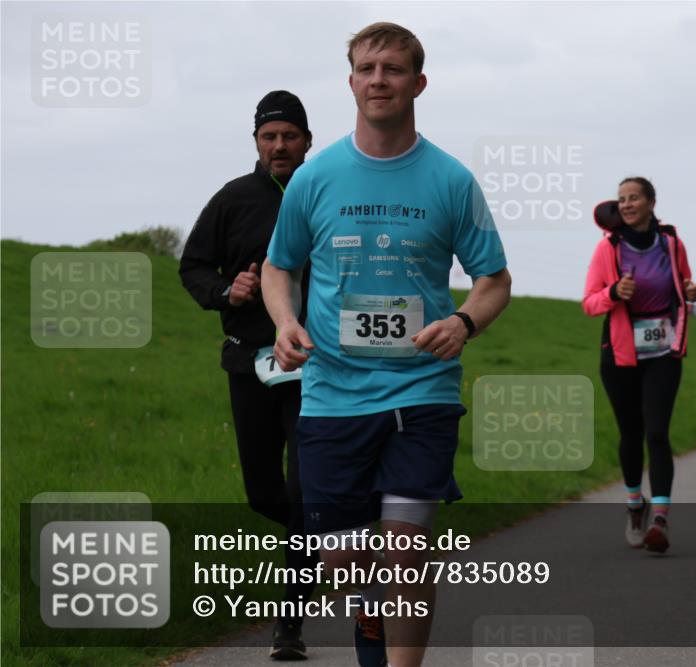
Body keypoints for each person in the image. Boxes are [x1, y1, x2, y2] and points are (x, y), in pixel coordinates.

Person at [260, 23, 510, 667]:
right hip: (332, 394)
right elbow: (277, 266)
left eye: (393, 69)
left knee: (405, 552)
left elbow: (494, 279)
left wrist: (463, 322)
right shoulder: (316, 179)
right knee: (345, 563)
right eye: (367, 69)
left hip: (419, 391)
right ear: (351, 82)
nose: (379, 79)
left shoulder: (451, 180)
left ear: (417, 83)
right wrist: (285, 322)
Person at [179, 90, 316, 661]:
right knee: (264, 493)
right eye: (269, 136)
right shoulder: (233, 199)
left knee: (302, 490)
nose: (279, 145)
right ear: (257, 142)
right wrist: (223, 291)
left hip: (318, 367)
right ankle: (339, 540)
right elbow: (192, 265)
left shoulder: (330, 187)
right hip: (251, 362)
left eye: (289, 135)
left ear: (307, 140)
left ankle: (290, 620)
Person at [583, 177, 696, 554]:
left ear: (651, 202)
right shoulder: (608, 249)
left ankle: (661, 520)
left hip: (664, 352)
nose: (627, 204)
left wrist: (692, 290)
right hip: (619, 354)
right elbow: (589, 302)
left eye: (634, 198)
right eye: (622, 200)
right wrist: (614, 292)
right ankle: (636, 504)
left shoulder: (671, 243)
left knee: (657, 432)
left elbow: (683, 285)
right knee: (631, 433)